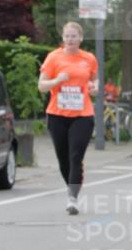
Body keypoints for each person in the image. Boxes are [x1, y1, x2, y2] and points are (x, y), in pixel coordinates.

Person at [38, 22, 98, 215]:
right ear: (63, 38)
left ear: (80, 38)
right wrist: (56, 80)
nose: (70, 40)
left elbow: (94, 81)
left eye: (74, 36)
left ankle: (72, 198)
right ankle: (72, 187)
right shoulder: (53, 58)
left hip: (82, 115)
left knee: (75, 156)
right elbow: (41, 86)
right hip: (57, 115)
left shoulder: (88, 58)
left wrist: (94, 88)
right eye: (67, 36)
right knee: (63, 158)